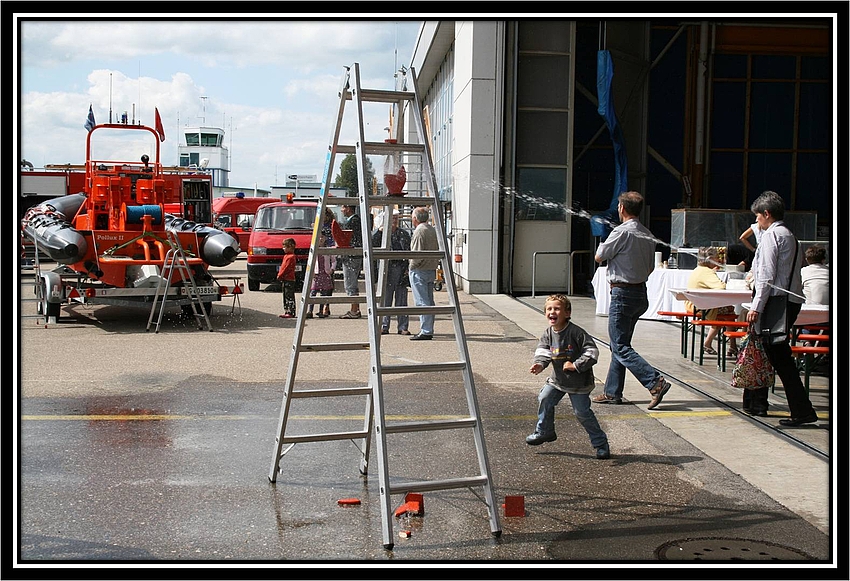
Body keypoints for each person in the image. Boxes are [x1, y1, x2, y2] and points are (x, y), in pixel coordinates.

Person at [592, 191, 672, 409]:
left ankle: (655, 382)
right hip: (639, 293)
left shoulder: (620, 232)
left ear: (621, 208)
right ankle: (612, 392)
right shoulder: (647, 233)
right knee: (620, 345)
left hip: (623, 294)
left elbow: (599, 256)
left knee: (620, 346)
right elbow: (649, 267)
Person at [745, 190, 817, 426]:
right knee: (776, 355)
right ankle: (762, 403)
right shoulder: (790, 235)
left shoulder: (771, 236)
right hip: (789, 300)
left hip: (776, 303)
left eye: (758, 217)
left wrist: (756, 306)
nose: (756, 221)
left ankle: (800, 409)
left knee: (778, 357)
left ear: (767, 214)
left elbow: (766, 275)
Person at [526, 294, 610, 460]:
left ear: (567, 313)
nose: (552, 312)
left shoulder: (576, 333)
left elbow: (592, 352)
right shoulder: (548, 334)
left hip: (579, 383)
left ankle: (601, 444)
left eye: (557, 309)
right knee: (545, 398)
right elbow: (543, 352)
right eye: (549, 309)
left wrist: (576, 365)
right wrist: (540, 364)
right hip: (557, 381)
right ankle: (545, 431)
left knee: (582, 413)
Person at [684, 246, 734, 356]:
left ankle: (731, 346)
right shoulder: (707, 272)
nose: (719, 260)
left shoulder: (698, 269)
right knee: (729, 312)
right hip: (701, 307)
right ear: (710, 258)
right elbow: (721, 287)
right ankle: (727, 345)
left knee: (727, 309)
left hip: (693, 304)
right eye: (716, 258)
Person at [372, 209, 411, 335]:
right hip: (386, 269)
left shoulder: (403, 234)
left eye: (396, 218)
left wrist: (406, 270)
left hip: (400, 268)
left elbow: (408, 250)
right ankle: (384, 325)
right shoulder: (380, 233)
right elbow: (372, 245)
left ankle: (402, 326)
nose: (394, 221)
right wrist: (379, 231)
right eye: (392, 218)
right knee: (385, 299)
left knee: (402, 299)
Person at [408, 206, 440, 341]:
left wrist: (411, 266)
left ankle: (426, 330)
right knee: (429, 300)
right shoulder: (431, 229)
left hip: (420, 269)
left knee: (422, 301)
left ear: (415, 218)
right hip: (430, 268)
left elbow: (417, 254)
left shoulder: (419, 231)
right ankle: (428, 328)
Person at [333, 204, 364, 319]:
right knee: (353, 281)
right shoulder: (358, 221)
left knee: (350, 283)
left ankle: (354, 310)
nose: (341, 210)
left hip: (351, 257)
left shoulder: (352, 222)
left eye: (343, 208)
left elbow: (348, 239)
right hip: (355, 256)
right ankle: (356, 308)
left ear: (348, 209)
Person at [307, 232, 334, 319]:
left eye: (322, 237)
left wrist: (332, 269)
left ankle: (321, 310)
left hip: (325, 273)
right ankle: (310, 310)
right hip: (316, 274)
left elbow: (334, 260)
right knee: (313, 292)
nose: (320, 239)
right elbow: (310, 262)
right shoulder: (313, 250)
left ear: (325, 238)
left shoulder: (328, 249)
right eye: (319, 237)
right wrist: (311, 272)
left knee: (324, 293)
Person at [276, 237, 297, 319]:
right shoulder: (286, 256)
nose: (283, 248)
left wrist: (280, 275)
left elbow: (285, 268)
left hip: (289, 279)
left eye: (285, 247)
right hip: (286, 279)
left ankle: (290, 311)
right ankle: (287, 310)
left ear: (290, 247)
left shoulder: (290, 257)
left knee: (289, 296)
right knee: (286, 295)